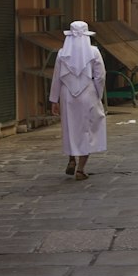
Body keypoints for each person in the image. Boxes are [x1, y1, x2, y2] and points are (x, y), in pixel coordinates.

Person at [49, 20, 107, 181]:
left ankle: (71, 158)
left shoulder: (62, 53)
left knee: (70, 127)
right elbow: (100, 75)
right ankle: (81, 169)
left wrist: (54, 99)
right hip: (88, 92)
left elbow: (56, 77)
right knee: (87, 129)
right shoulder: (93, 52)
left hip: (66, 94)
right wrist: (98, 94)